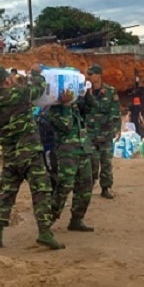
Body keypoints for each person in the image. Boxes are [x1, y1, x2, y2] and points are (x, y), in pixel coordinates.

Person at [0, 66, 64, 250]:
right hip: (29, 152)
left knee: (6, 195)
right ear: (6, 81)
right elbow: (38, 88)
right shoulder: (16, 94)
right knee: (41, 191)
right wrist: (37, 73)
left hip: (11, 156)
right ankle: (44, 232)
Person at [46, 89, 97, 231]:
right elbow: (66, 125)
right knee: (64, 186)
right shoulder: (54, 109)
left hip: (83, 149)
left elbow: (93, 106)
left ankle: (77, 219)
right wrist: (65, 105)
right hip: (67, 152)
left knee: (85, 186)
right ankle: (48, 221)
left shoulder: (76, 105)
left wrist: (87, 92)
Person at [85, 64, 121, 199]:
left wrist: (117, 129)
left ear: (99, 75)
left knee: (106, 162)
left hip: (105, 133)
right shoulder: (85, 91)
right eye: (88, 74)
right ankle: (88, 187)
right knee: (92, 162)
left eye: (91, 74)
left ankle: (106, 188)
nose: (89, 76)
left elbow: (115, 111)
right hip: (90, 133)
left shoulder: (110, 91)